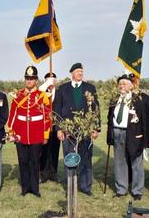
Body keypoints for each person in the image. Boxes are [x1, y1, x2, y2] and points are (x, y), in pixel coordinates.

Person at [54, 62, 101, 196]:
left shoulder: (90, 88)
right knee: (69, 158)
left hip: (85, 129)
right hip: (68, 130)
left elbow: (96, 109)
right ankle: (70, 185)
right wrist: (58, 129)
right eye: (78, 71)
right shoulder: (62, 89)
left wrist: (96, 128)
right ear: (72, 73)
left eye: (82, 71)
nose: (80, 73)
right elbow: (57, 110)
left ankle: (85, 186)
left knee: (86, 157)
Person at [7, 66, 51, 197]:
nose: (29, 81)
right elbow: (13, 115)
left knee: (35, 161)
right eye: (27, 78)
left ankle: (35, 188)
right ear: (25, 80)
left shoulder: (42, 96)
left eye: (32, 79)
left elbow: (47, 116)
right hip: (20, 134)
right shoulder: (18, 95)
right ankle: (25, 188)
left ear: (36, 80)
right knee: (23, 160)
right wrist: (11, 132)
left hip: (36, 134)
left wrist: (46, 134)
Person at [106, 74, 149, 200]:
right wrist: (110, 135)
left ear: (131, 85)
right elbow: (110, 118)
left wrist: (145, 140)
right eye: (120, 84)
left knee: (136, 163)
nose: (122, 86)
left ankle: (137, 190)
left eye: (125, 83)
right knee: (120, 162)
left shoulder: (140, 100)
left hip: (134, 134)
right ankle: (121, 189)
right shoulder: (114, 99)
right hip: (117, 132)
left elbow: (145, 120)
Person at [39, 72, 60, 183]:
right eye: (48, 80)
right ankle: (43, 173)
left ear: (56, 81)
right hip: (44, 126)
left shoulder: (60, 92)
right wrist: (46, 85)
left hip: (56, 126)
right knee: (43, 151)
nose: (51, 82)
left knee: (55, 150)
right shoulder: (42, 92)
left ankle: (53, 173)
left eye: (52, 80)